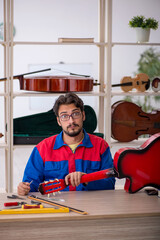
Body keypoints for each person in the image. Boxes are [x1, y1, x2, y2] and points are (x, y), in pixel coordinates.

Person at [17, 93, 115, 195]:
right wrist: (23, 189)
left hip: (93, 207)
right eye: (64, 116)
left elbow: (110, 183)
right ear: (59, 121)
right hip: (55, 209)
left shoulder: (101, 146)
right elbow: (31, 186)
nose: (71, 121)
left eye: (75, 114)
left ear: (83, 115)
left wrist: (87, 179)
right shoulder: (42, 149)